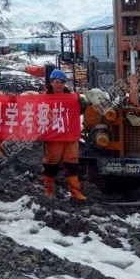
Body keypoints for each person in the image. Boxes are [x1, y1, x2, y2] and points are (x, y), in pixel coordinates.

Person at [42, 69, 86, 200]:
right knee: (51, 163)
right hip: (53, 136)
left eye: (61, 82)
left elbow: (78, 112)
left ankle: (75, 192)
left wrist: (83, 105)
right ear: (51, 83)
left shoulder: (71, 97)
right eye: (56, 82)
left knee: (71, 164)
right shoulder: (44, 97)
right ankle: (48, 190)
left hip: (69, 135)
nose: (59, 85)